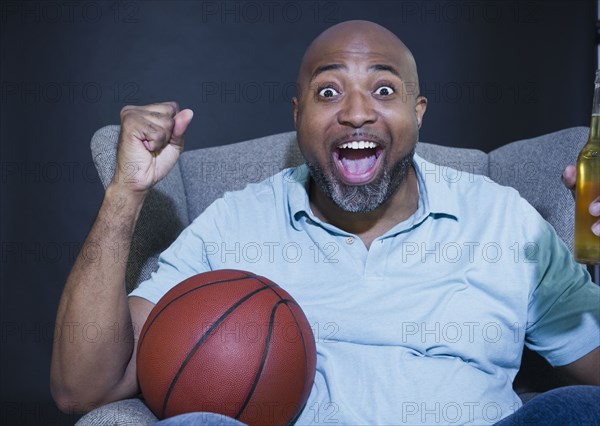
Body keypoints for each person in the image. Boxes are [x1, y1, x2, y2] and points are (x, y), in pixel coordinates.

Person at [51, 20, 599, 425]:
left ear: (420, 113)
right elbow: (85, 390)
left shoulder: (503, 219)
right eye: (329, 91)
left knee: (579, 408)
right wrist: (126, 195)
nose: (356, 112)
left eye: (384, 90)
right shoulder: (237, 222)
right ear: (298, 116)